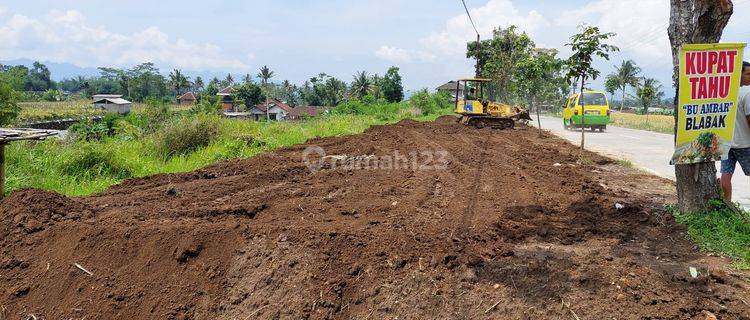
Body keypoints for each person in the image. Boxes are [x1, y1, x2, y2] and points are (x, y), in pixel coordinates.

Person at [720, 61, 750, 201]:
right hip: (745, 144)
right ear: (738, 74)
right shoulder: (747, 93)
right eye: (748, 74)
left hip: (727, 144)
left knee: (725, 175)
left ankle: (727, 205)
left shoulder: (725, 93)